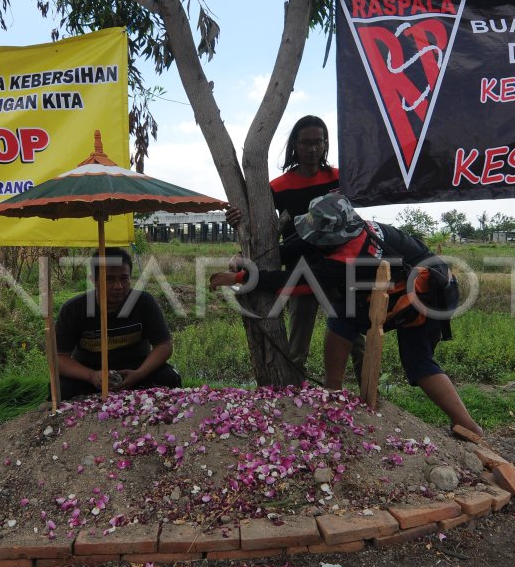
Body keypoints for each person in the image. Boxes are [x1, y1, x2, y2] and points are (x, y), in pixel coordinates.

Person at [211, 194, 484, 438]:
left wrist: (240, 277)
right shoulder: (351, 225)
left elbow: (294, 282)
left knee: (410, 357)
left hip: (428, 295)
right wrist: (253, 259)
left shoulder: (347, 259)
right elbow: (302, 244)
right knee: (346, 318)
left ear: (333, 236)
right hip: (424, 280)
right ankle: (333, 395)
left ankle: (467, 427)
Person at [225, 115, 362, 375]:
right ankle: (294, 400)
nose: (312, 149)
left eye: (317, 142)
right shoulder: (277, 187)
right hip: (300, 270)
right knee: (299, 341)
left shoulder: (340, 179)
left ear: (325, 144)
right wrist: (236, 219)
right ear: (294, 145)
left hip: (340, 267)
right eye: (305, 143)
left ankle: (368, 396)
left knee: (353, 335)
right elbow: (258, 224)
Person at [55, 247, 181, 399]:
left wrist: (139, 374)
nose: (118, 286)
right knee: (60, 388)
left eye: (124, 278)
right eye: (109, 279)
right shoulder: (73, 309)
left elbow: (164, 346)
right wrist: (91, 376)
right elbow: (59, 358)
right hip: (91, 372)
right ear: (93, 280)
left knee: (170, 378)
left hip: (138, 368)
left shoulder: (144, 302)